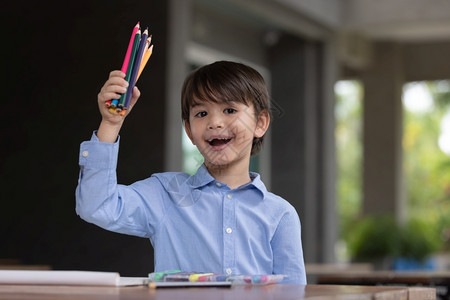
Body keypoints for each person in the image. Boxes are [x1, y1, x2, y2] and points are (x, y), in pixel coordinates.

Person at [75, 61, 306, 284]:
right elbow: (96, 206)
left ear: (260, 123)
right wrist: (111, 124)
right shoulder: (164, 194)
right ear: (189, 130)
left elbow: (294, 293)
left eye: (229, 109)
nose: (215, 122)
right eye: (201, 113)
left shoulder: (281, 216)